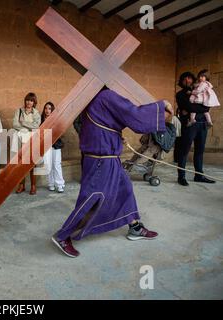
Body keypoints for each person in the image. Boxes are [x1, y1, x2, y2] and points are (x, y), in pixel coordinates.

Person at [51, 88, 173, 258]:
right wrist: (161, 105)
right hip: (101, 160)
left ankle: (135, 226)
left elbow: (102, 125)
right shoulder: (105, 95)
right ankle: (63, 236)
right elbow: (135, 116)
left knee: (125, 189)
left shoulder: (94, 98)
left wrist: (115, 136)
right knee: (93, 198)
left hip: (107, 157)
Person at [176, 71, 215, 186]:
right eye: (185, 79)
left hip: (202, 124)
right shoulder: (180, 94)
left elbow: (208, 105)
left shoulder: (202, 90)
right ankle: (181, 177)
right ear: (182, 82)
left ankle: (199, 175)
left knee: (199, 151)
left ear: (193, 80)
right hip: (190, 125)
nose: (187, 80)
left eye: (189, 78)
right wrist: (203, 109)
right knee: (184, 151)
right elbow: (189, 106)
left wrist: (201, 108)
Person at [12, 92, 41, 195]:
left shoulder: (36, 113)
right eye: (28, 100)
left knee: (32, 164)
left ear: (34, 102)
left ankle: (33, 186)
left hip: (32, 141)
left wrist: (23, 123)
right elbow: (15, 124)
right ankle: (21, 185)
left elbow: (37, 126)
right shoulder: (19, 111)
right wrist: (28, 128)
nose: (29, 102)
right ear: (25, 101)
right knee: (21, 164)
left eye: (31, 100)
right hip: (21, 141)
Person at [41, 102, 65, 193]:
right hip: (46, 146)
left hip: (56, 145)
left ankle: (60, 184)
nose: (47, 110)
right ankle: (51, 184)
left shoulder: (56, 120)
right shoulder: (41, 120)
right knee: (48, 165)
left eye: (49, 109)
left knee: (56, 164)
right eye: (46, 108)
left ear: (52, 110)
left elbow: (60, 131)